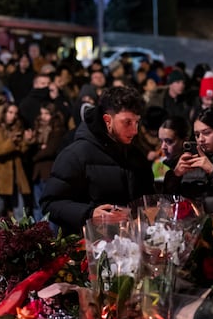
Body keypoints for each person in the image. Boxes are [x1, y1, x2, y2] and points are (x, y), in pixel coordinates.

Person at [41, 86, 153, 235]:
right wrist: (89, 214)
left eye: (136, 122)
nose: (134, 131)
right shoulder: (75, 154)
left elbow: (148, 199)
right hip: (89, 248)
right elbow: (50, 203)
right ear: (108, 120)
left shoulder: (135, 154)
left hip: (131, 245)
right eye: (127, 122)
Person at [0, 102, 33, 217]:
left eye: (15, 113)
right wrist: (11, 143)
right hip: (1, 175)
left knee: (20, 212)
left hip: (16, 176)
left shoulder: (18, 127)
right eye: (10, 112)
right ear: (5, 113)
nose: (13, 116)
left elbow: (21, 150)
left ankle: (21, 234)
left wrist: (27, 141)